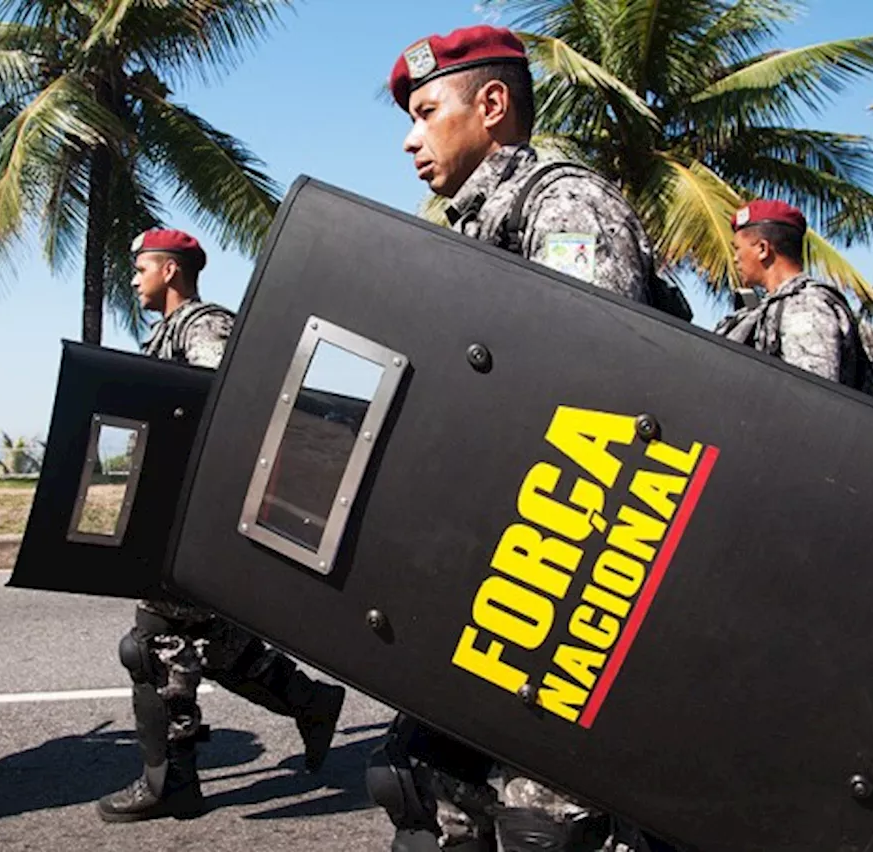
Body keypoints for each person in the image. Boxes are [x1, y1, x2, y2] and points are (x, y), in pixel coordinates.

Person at [370, 23, 670, 852]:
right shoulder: (474, 225)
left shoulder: (563, 205)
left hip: (574, 568)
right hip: (500, 556)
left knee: (543, 823)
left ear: (492, 105)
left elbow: (593, 398)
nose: (409, 136)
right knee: (416, 777)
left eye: (427, 111)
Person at [95, 228, 347, 823]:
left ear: (171, 272)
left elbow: (225, 410)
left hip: (198, 518)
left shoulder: (204, 326)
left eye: (141, 269)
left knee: (153, 643)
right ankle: (311, 701)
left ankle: (172, 782)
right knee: (212, 645)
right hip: (179, 514)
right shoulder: (169, 333)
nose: (134, 280)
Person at [716, 199, 861, 383]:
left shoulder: (805, 308)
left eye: (737, 249)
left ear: (762, 249)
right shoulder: (779, 306)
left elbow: (812, 397)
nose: (735, 258)